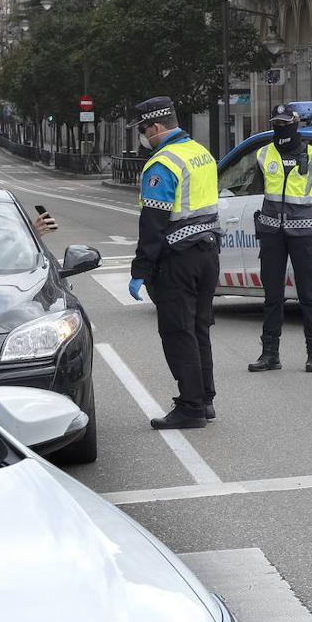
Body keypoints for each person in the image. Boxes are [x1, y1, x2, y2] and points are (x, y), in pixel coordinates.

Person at [126, 96, 222, 430]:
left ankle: (191, 407)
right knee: (199, 329)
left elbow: (152, 224)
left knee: (177, 332)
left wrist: (140, 270)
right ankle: (205, 399)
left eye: (143, 129)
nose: (142, 136)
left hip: (178, 259)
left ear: (155, 127)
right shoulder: (200, 153)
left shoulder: (162, 164)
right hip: (208, 253)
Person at [248, 104, 312, 374]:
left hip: (304, 234)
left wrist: (310, 217)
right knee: (272, 296)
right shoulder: (263, 154)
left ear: (296, 123)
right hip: (272, 233)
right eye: (277, 122)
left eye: (285, 122)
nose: (281, 127)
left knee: (309, 294)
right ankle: (270, 354)